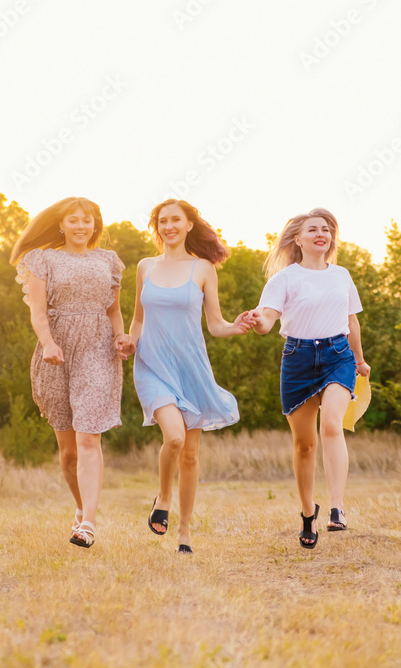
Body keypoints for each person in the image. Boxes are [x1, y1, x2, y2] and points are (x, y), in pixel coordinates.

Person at [124, 199, 251, 554]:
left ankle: (184, 532)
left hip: (190, 367)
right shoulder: (145, 267)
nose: (169, 226)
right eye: (162, 221)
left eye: (175, 220)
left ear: (189, 224)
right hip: (151, 365)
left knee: (191, 456)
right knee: (175, 439)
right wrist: (129, 341)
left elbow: (215, 324)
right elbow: (137, 319)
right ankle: (162, 497)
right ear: (156, 227)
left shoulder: (204, 269)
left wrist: (236, 327)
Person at [10, 196, 130, 549]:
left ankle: (89, 524)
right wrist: (47, 343)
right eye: (73, 220)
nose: (81, 226)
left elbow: (114, 311)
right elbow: (38, 312)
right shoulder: (42, 259)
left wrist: (121, 337)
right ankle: (81, 509)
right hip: (57, 350)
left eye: (87, 220)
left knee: (88, 437)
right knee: (68, 452)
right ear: (61, 225)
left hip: (97, 347)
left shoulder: (109, 261)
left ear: (96, 224)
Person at [248, 208, 371, 549]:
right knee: (304, 445)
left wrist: (359, 360)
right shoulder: (284, 279)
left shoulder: (342, 275)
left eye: (327, 229)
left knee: (331, 424)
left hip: (337, 357)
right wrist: (256, 322)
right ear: (298, 239)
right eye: (313, 229)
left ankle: (337, 507)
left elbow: (352, 322)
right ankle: (307, 513)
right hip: (298, 361)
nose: (322, 234)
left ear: (331, 239)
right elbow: (268, 319)